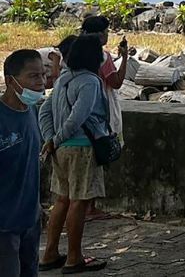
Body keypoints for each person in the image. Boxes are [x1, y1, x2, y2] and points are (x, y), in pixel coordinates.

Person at [38, 34, 112, 274]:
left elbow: (44, 111)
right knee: (78, 202)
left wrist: (51, 140)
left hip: (61, 149)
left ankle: (50, 252)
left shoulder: (61, 80)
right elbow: (78, 116)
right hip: (82, 147)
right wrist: (57, 138)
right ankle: (74, 257)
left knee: (61, 199)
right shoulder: (90, 81)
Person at [1, 49, 46, 277]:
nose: (41, 83)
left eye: (43, 75)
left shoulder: (32, 112)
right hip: (4, 226)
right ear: (10, 81)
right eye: (33, 76)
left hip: (30, 219)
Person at [80, 15, 130, 143]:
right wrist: (124, 57)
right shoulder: (103, 57)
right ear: (100, 34)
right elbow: (116, 82)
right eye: (107, 31)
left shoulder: (74, 53)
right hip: (101, 107)